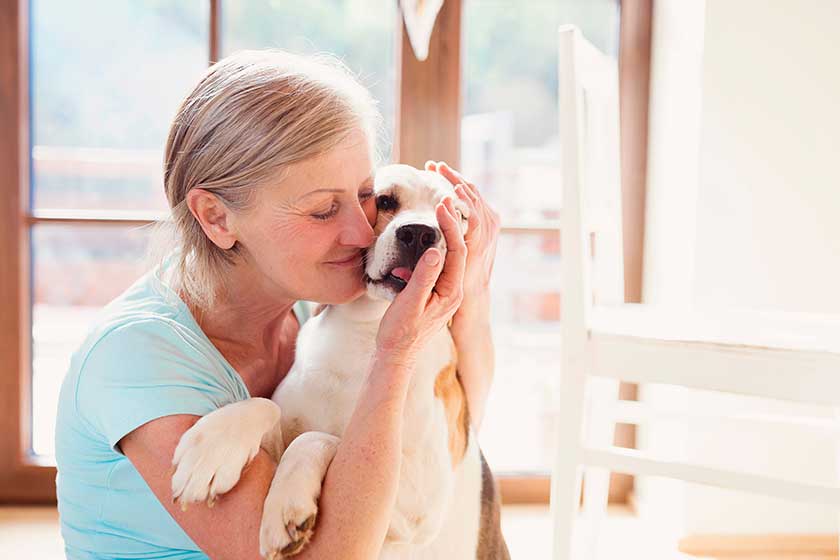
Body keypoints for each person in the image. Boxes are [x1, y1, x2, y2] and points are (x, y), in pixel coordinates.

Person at [55, 49, 500, 560]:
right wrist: (394, 356)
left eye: (363, 198)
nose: (362, 231)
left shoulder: (316, 309)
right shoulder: (136, 357)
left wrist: (474, 287)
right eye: (324, 210)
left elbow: (463, 422)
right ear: (217, 218)